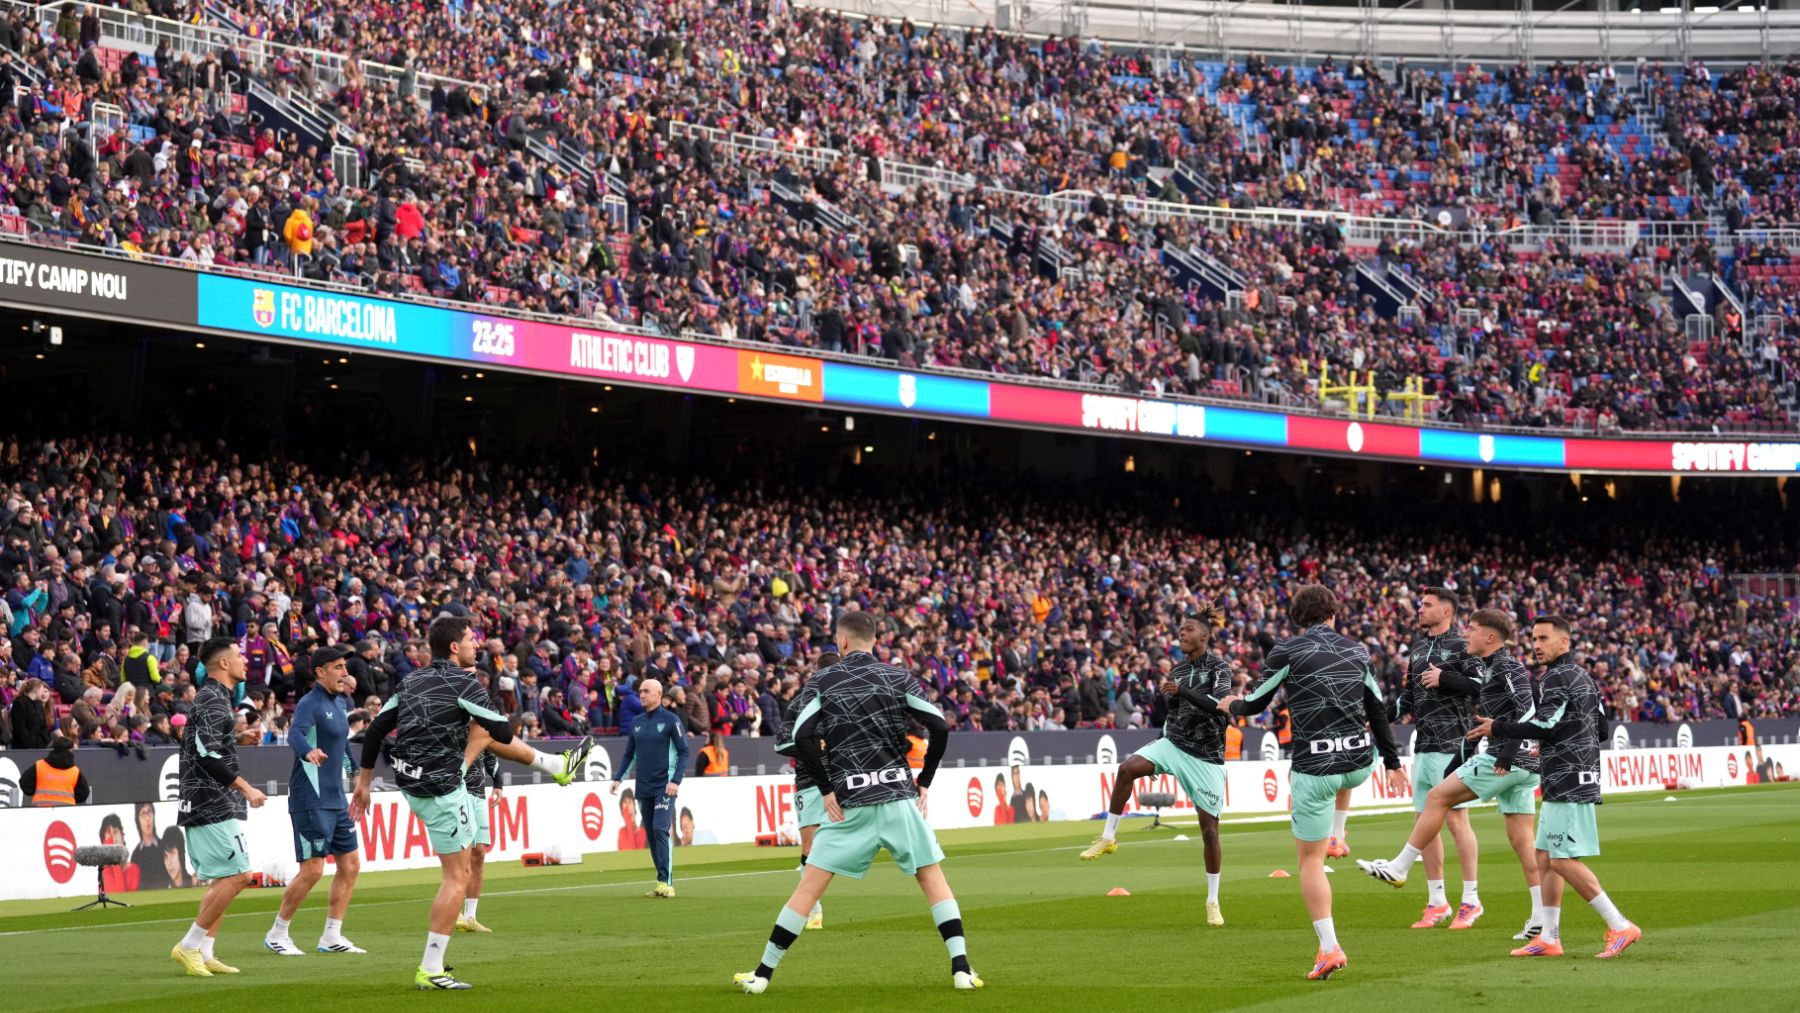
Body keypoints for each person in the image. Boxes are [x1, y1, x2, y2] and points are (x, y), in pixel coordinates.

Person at [733, 611, 978, 994]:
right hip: (898, 797)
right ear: (875, 640)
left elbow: (799, 737)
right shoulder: (898, 677)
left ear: (841, 642)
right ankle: (961, 970)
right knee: (933, 880)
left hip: (850, 804)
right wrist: (925, 780)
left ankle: (762, 975)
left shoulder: (823, 681)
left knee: (808, 889)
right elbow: (941, 726)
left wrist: (826, 788)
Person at [353, 616, 593, 990]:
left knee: (479, 737)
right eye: (470, 639)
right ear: (454, 648)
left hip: (411, 779)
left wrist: (364, 783)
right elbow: (503, 731)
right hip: (441, 788)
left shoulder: (412, 679)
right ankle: (430, 969)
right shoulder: (464, 682)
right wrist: (491, 711)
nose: (476, 644)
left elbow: (376, 730)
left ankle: (555, 765)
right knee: (457, 878)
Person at [1218, 585, 1402, 980]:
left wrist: (1228, 704)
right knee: (1345, 766)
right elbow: (1376, 708)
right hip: (1359, 760)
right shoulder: (1357, 650)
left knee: (1309, 862)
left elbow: (1254, 704)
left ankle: (1329, 947)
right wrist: (1391, 760)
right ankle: (1337, 832)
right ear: (1334, 612)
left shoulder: (1287, 650)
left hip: (1315, 768)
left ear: (1298, 618)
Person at [1358, 608, 1548, 941]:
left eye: (1472, 629)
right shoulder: (1492, 667)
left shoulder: (1505, 665)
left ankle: (1400, 866)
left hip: (1509, 758)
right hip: (1524, 762)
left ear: (1490, 637)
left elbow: (1528, 708)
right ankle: (1540, 917)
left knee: (1436, 799)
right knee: (1522, 842)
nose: (1467, 634)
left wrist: (1505, 752)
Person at [1466, 615, 1642, 959]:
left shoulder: (1557, 677)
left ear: (1564, 642)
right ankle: (1549, 937)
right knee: (1544, 857)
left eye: (1544, 638)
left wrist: (1497, 728)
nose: (1536, 644)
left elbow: (1544, 724)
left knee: (1561, 861)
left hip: (1567, 777)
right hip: (1571, 774)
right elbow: (1602, 728)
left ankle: (1620, 924)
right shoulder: (1584, 677)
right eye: (1534, 638)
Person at [1080, 607, 1233, 928]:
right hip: (1174, 743)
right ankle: (1108, 836)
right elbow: (1176, 711)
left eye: (1188, 629)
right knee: (1126, 769)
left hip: (1206, 757)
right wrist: (1164, 703)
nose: (1181, 633)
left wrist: (1183, 693)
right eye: (1180, 628)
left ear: (1204, 635)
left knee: (1209, 831)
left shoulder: (1220, 668)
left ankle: (1213, 901)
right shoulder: (1177, 671)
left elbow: (1219, 708)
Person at [170, 637, 269, 978]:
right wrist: (246, 787)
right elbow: (207, 755)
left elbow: (204, 743)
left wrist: (236, 740)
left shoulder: (217, 698)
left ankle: (205, 950)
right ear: (224, 664)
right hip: (207, 801)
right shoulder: (213, 699)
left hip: (213, 800)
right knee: (239, 875)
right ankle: (187, 946)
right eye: (240, 656)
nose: (245, 661)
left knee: (222, 879)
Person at [1386, 587, 1483, 928]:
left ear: (1446, 612)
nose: (1419, 609)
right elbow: (1409, 698)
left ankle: (1471, 899)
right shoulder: (1417, 649)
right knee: (1422, 825)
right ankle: (1437, 900)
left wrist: (1446, 678)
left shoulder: (1462, 646)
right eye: (1420, 604)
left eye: (1426, 605)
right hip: (1424, 745)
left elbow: (1482, 685)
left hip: (1453, 746)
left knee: (1457, 821)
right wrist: (1382, 717)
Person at [266, 645, 365, 957]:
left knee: (350, 865)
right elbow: (296, 733)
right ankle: (277, 933)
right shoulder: (310, 703)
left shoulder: (338, 704)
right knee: (312, 869)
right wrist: (306, 751)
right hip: (311, 798)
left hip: (336, 801)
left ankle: (331, 936)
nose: (344, 672)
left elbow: (343, 748)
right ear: (320, 671)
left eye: (344, 667)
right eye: (337, 667)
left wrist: (359, 779)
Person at [775, 650, 838, 930]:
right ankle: (813, 909)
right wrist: (815, 742)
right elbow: (782, 742)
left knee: (825, 846)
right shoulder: (803, 699)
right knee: (810, 847)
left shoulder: (847, 696)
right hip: (811, 780)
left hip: (841, 779)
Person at [610, 678, 689, 897]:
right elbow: (629, 755)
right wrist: (618, 778)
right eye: (640, 691)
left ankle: (667, 882)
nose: (641, 695)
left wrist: (676, 781)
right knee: (652, 836)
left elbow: (684, 751)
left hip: (665, 787)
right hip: (643, 786)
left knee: (659, 829)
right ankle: (660, 881)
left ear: (659, 694)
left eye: (646, 691)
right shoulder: (637, 722)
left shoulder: (671, 720)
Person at [455, 724, 503, 933]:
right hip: (457, 795)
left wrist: (499, 784)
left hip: (479, 796)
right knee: (460, 854)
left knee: (479, 854)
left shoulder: (481, 732)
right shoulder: (451, 728)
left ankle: (470, 916)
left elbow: (491, 758)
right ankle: (454, 910)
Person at [21, 734, 90, 806]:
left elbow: (24, 783)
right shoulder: (75, 771)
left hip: (41, 811)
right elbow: (84, 793)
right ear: (70, 750)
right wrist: (69, 799)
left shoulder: (39, 766)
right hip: (66, 811)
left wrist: (36, 793)